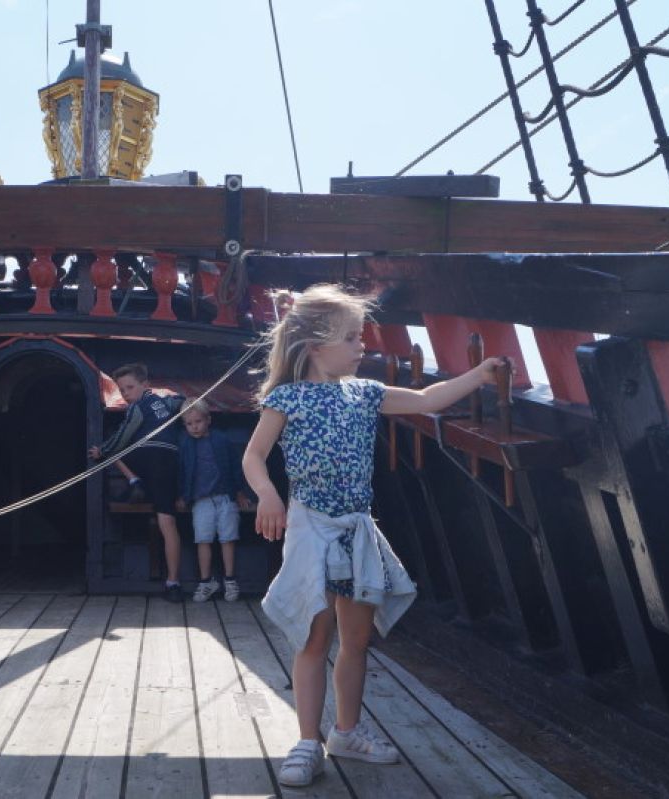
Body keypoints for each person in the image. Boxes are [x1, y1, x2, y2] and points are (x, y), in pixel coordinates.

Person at [242, 284, 506, 788]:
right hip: (310, 527)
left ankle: (346, 731)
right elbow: (254, 455)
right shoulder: (287, 397)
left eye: (360, 336)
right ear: (316, 346)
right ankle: (306, 741)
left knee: (356, 640)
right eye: (351, 337)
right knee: (315, 637)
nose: (362, 346)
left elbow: (428, 398)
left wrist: (478, 374)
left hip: (356, 528)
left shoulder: (366, 393)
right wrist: (267, 495)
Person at [88, 362, 186, 602]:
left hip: (148, 457)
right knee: (168, 522)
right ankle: (173, 582)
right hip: (170, 461)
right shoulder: (166, 402)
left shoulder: (136, 407)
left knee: (114, 450)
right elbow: (183, 401)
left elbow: (124, 435)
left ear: (145, 385)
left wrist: (102, 450)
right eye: (122, 390)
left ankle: (134, 482)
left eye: (130, 387)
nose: (126, 394)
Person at [176, 399, 253, 602]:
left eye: (198, 421)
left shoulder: (221, 440)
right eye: (189, 424)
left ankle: (230, 580)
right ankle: (206, 581)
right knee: (203, 539)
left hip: (225, 497)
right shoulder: (185, 443)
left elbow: (235, 467)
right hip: (201, 500)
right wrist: (183, 496)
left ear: (208, 420)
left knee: (228, 538)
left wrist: (240, 492)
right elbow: (182, 472)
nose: (194, 427)